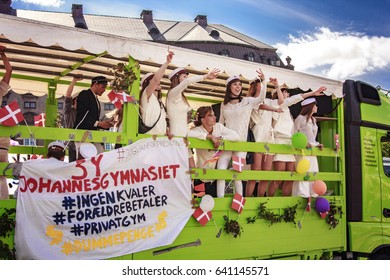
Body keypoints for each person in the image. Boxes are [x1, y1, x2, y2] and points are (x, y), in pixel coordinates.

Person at [268, 85, 327, 196]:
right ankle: (268, 201)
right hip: (279, 142)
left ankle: (286, 202)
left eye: (287, 92)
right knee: (279, 177)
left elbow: (296, 98)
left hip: (290, 144)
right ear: (277, 94)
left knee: (292, 176)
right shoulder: (274, 106)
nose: (287, 94)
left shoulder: (288, 110)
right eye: (284, 91)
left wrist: (313, 93)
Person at [217, 69, 267, 198]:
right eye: (235, 84)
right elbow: (220, 123)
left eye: (240, 84)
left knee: (237, 172)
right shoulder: (224, 104)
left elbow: (261, 98)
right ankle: (220, 200)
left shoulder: (247, 101)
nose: (238, 87)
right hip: (227, 143)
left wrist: (263, 81)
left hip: (241, 145)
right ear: (229, 87)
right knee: (220, 169)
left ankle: (239, 202)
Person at [166, 66, 220, 167]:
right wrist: (206, 76)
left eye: (187, 77)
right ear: (176, 78)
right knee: (179, 175)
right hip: (176, 140)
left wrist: (209, 136)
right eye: (184, 76)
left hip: (184, 139)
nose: (186, 79)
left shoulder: (181, 97)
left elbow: (187, 128)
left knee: (191, 173)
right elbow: (187, 82)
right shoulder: (172, 94)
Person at [188, 106, 239, 197]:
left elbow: (235, 136)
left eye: (214, 115)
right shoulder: (197, 130)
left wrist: (221, 138)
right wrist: (210, 137)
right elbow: (188, 134)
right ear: (203, 120)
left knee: (215, 205)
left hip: (215, 177)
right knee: (199, 206)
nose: (214, 117)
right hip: (201, 177)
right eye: (211, 115)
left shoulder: (218, 127)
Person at [245, 77, 284, 197]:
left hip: (269, 135)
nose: (263, 85)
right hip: (258, 133)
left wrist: (277, 86)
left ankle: (261, 200)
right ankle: (249, 199)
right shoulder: (250, 100)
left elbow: (281, 101)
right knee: (255, 173)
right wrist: (274, 109)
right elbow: (260, 106)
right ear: (255, 85)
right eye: (260, 83)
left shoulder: (269, 100)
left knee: (266, 174)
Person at [74, 76, 115, 155]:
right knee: (86, 158)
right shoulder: (85, 94)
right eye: (103, 87)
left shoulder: (95, 98)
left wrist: (104, 124)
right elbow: (81, 115)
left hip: (93, 134)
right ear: (96, 84)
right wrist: (99, 123)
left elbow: (92, 118)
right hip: (83, 134)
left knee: (100, 155)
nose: (104, 90)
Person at [292, 98, 324, 197]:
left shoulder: (314, 120)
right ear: (310, 106)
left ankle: (313, 194)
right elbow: (294, 134)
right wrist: (303, 143)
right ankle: (302, 195)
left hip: (313, 150)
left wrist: (317, 144)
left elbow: (312, 138)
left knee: (313, 171)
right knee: (303, 171)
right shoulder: (300, 118)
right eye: (315, 105)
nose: (317, 107)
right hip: (303, 150)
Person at [140, 50, 174, 135]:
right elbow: (155, 80)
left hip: (159, 141)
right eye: (153, 78)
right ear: (147, 84)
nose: (158, 80)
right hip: (148, 139)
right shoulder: (146, 95)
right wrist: (167, 62)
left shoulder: (160, 102)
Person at [0, 45, 12, 199]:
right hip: (2, 143)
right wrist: (2, 54)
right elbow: (9, 70)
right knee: (2, 178)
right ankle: (4, 216)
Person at [64, 75, 83, 162]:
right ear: (74, 101)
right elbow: (68, 96)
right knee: (73, 165)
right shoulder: (69, 111)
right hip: (72, 144)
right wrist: (74, 81)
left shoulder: (85, 113)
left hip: (83, 143)